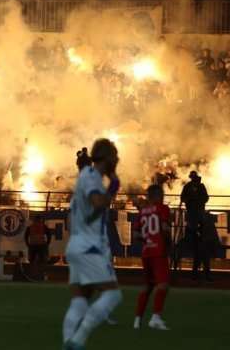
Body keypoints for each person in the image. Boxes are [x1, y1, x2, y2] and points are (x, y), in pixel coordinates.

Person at [62, 138, 123, 350]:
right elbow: (98, 201)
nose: (117, 160)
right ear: (107, 158)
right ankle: (78, 341)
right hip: (90, 244)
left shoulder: (86, 176)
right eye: (114, 157)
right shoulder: (91, 176)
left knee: (80, 298)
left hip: (77, 243)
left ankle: (68, 342)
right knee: (113, 294)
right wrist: (114, 185)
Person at [133, 184, 171, 331]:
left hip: (146, 251)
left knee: (147, 286)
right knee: (163, 284)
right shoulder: (162, 208)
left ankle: (137, 320)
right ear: (158, 195)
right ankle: (155, 318)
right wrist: (167, 243)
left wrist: (147, 240)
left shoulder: (142, 212)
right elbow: (165, 228)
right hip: (158, 251)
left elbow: (136, 235)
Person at [181, 171, 211, 280]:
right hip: (195, 218)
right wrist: (191, 201)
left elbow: (206, 198)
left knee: (200, 248)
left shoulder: (195, 186)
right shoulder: (190, 186)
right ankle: (201, 273)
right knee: (199, 248)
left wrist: (195, 201)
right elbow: (183, 198)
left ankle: (198, 273)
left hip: (197, 218)